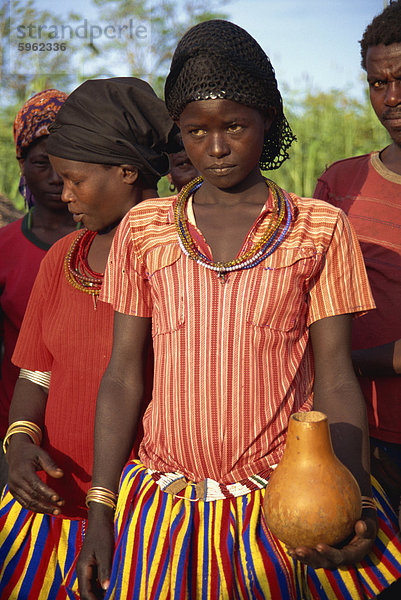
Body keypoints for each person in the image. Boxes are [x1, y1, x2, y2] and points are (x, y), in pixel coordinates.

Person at [77, 20, 401, 600]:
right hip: (162, 508)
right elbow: (123, 374)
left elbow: (335, 379)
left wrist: (352, 500)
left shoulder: (319, 229)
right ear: (179, 132)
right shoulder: (144, 230)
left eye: (235, 126)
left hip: (284, 503)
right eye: (197, 131)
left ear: (267, 121)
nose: (217, 147)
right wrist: (101, 506)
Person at [0, 77, 178, 600]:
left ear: (127, 171)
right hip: (54, 510)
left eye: (75, 179)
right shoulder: (62, 260)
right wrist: (19, 443)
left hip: (152, 520)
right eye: (58, 179)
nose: (65, 194)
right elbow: (36, 374)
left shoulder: (182, 258)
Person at [313, 0, 401, 519]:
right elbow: (313, 306)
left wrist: (344, 362)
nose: (391, 97)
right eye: (377, 82)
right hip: (360, 435)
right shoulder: (342, 185)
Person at [0, 89, 76, 492]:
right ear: (21, 165)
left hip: (95, 437)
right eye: (40, 163)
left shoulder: (109, 245)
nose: (54, 177)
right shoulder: (5, 248)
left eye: (63, 164)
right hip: (16, 438)